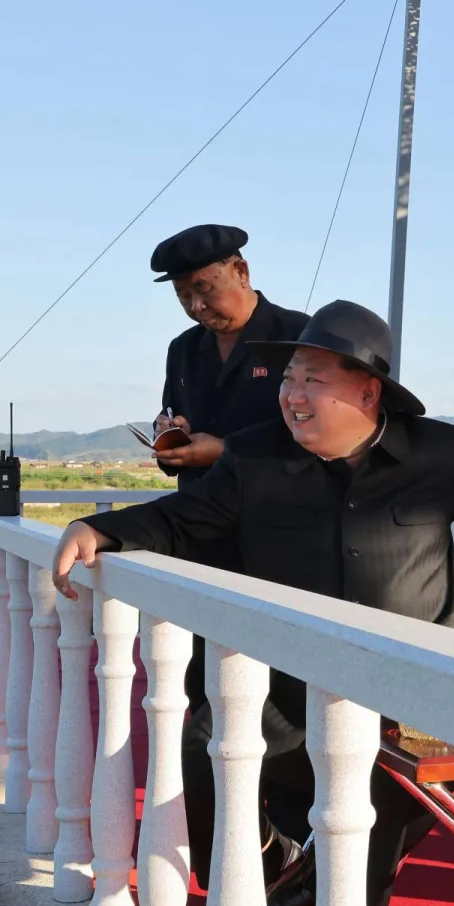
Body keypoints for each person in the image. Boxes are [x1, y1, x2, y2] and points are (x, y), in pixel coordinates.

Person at [49, 300, 454, 906]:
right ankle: (272, 866)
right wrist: (96, 530)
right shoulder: (254, 456)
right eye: (289, 378)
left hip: (410, 699)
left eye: (312, 380)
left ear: (368, 392)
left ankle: (306, 901)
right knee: (200, 745)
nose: (292, 395)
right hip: (286, 688)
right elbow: (182, 521)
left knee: (392, 790)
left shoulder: (436, 453)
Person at [148, 223, 309, 713]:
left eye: (204, 289)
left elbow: (317, 438)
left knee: (280, 691)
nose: (197, 307)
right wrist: (168, 435)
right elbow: (175, 415)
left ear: (241, 271)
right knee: (202, 686)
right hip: (201, 539)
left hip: (279, 544)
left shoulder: (300, 335)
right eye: (183, 296)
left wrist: (223, 451)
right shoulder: (183, 350)